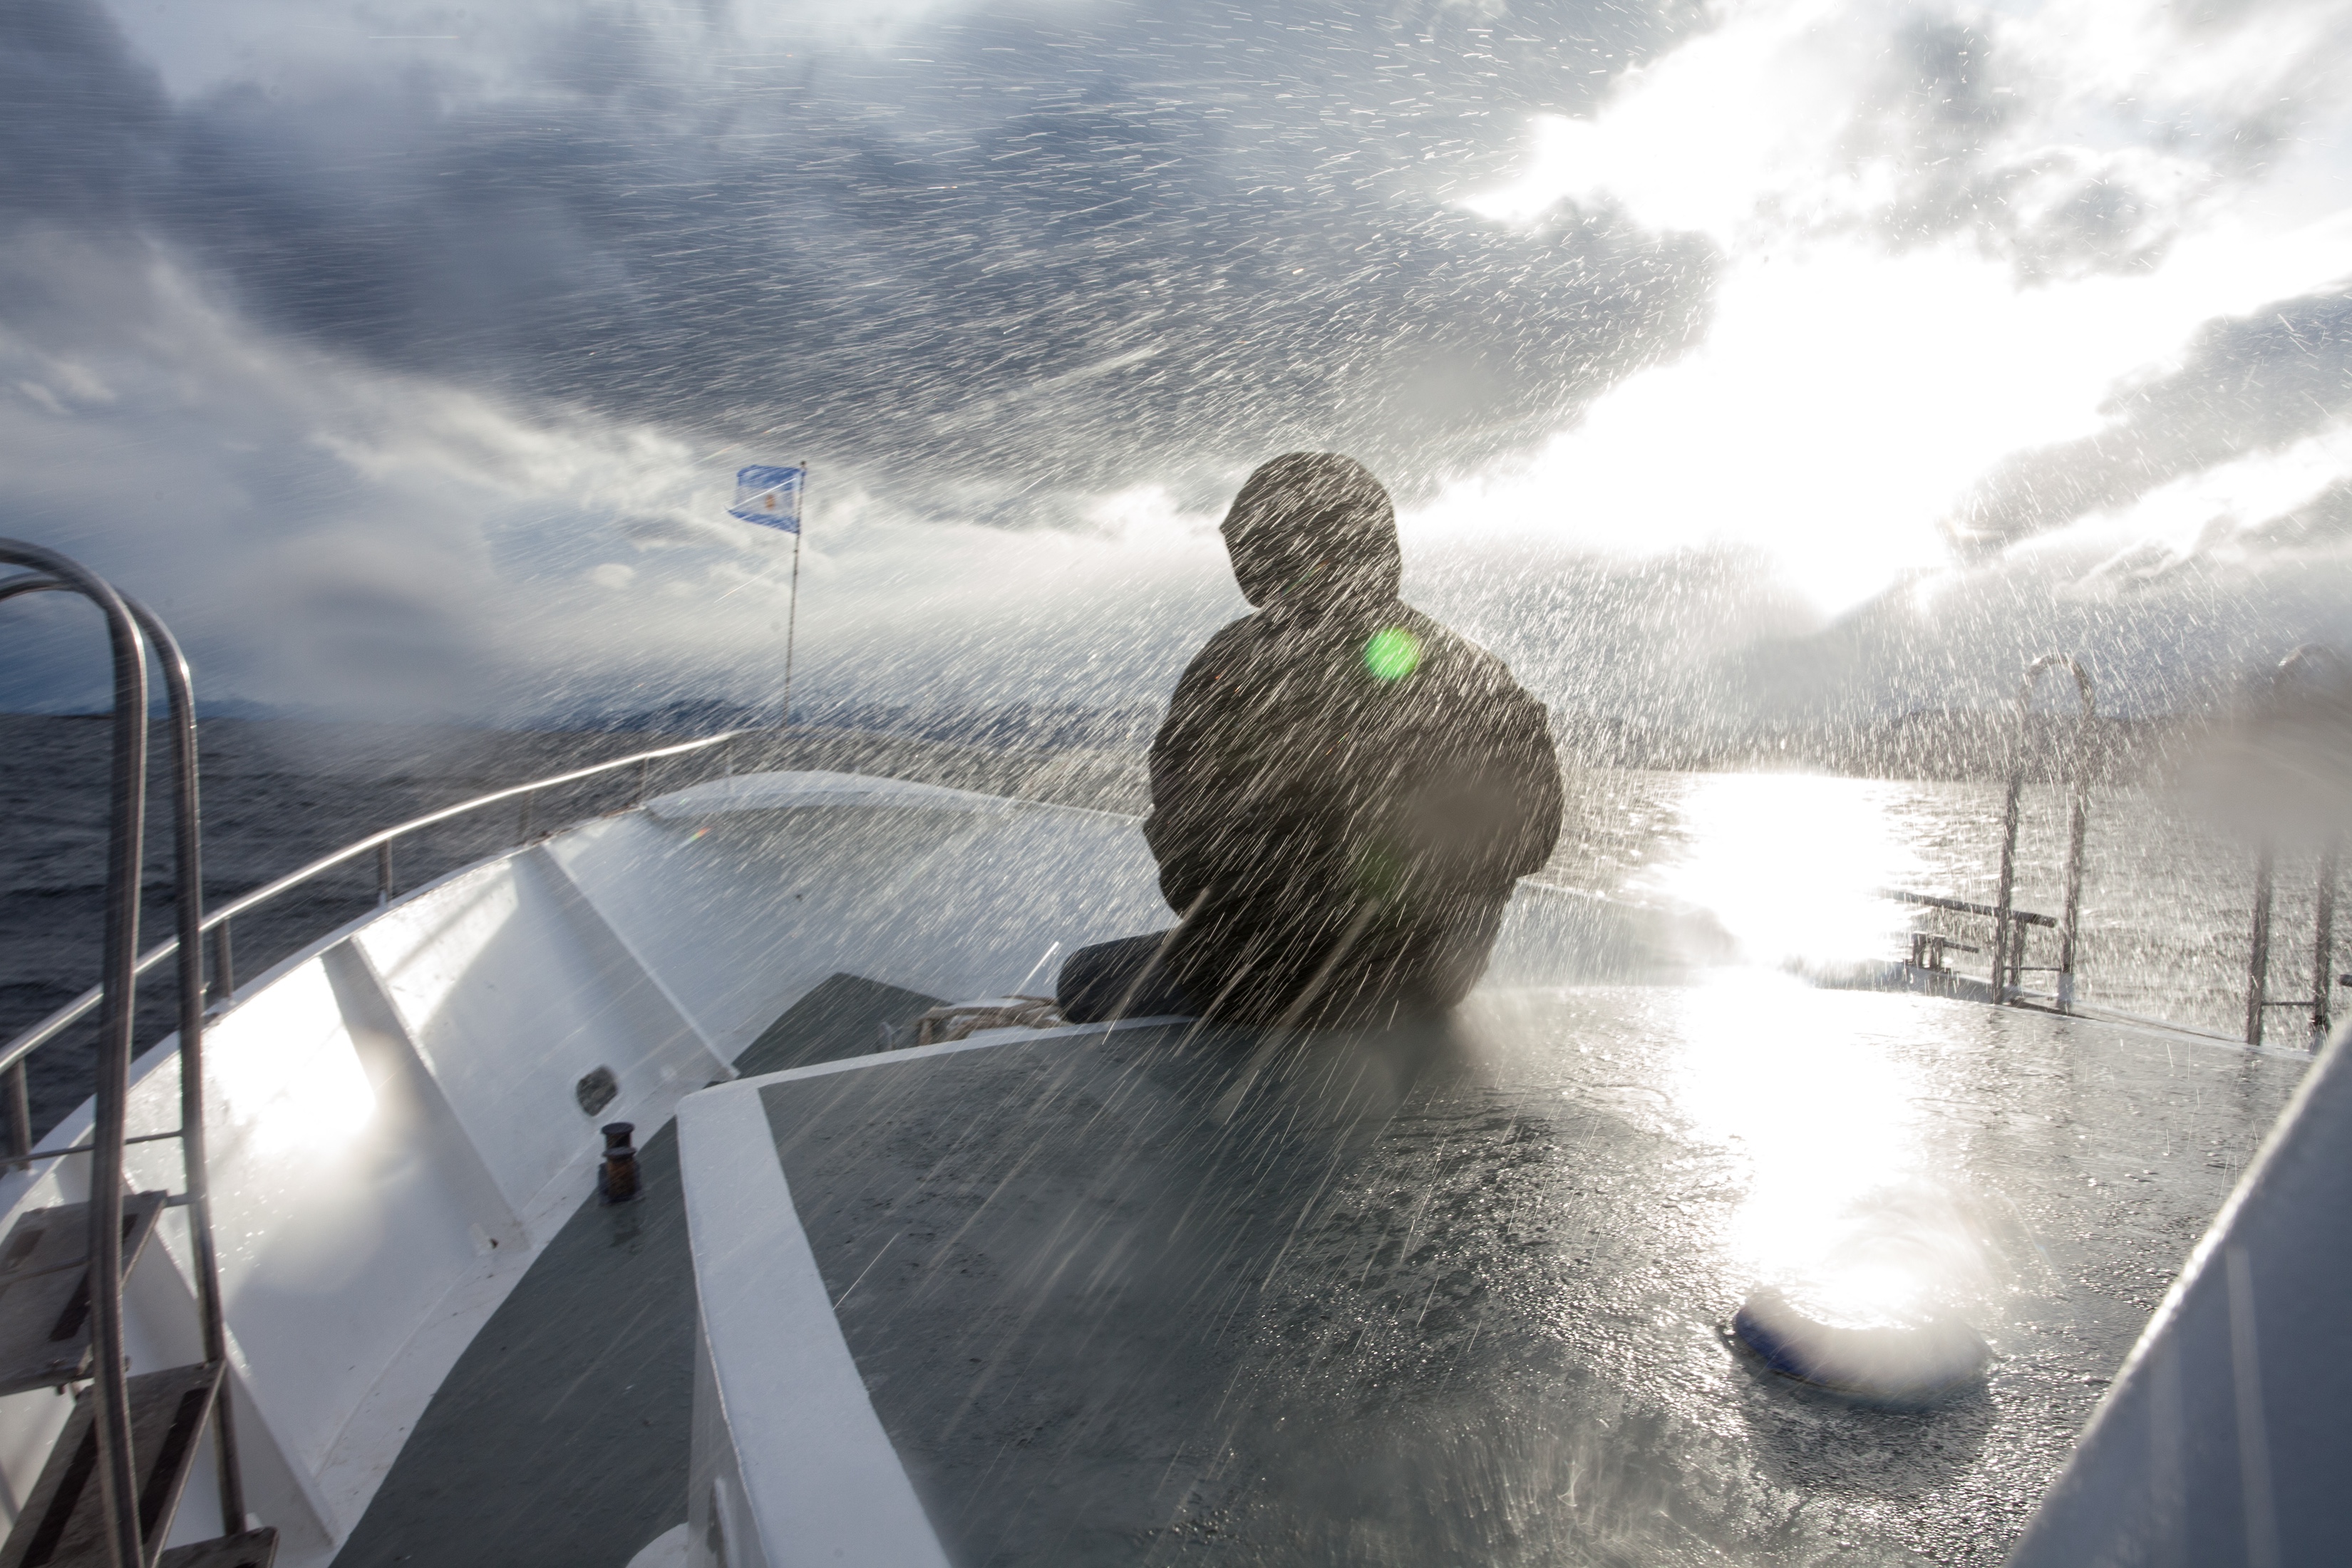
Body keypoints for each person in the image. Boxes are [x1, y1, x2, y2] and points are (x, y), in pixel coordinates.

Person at [1059, 452, 1564, 1030]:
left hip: (1276, 975)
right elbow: (1530, 831)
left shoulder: (1235, 662)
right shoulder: (1467, 664)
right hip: (1433, 978)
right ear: (1377, 543)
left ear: (1262, 552)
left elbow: (1184, 834)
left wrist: (1283, 916)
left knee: (1082, 977)